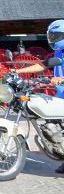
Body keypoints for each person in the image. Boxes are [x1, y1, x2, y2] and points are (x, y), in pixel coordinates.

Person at [14, 19, 64, 174]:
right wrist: (18, 72)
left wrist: (61, 79)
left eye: (57, 36)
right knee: (55, 126)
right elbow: (43, 65)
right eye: (52, 36)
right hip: (60, 97)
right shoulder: (58, 52)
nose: (54, 39)